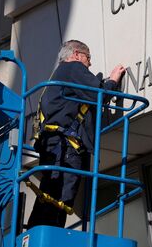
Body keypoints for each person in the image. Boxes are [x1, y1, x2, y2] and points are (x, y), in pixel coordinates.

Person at [27, 40, 125, 228]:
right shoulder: (72, 68)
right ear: (77, 55)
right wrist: (112, 81)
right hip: (65, 148)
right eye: (89, 58)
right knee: (60, 199)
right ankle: (48, 236)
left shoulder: (58, 78)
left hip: (54, 147)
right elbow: (99, 94)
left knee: (49, 195)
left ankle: (39, 234)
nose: (90, 64)